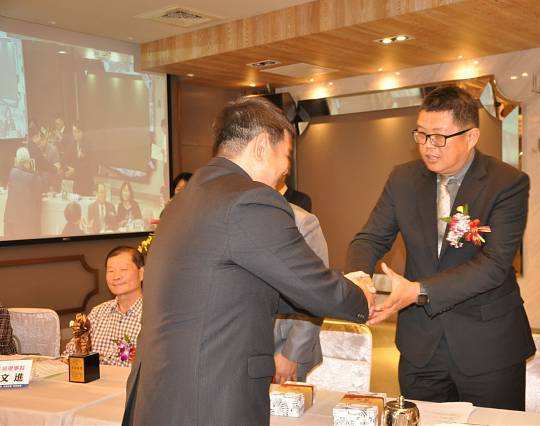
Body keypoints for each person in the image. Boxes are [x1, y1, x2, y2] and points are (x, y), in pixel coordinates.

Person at [122, 96, 374, 426]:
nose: (284, 172)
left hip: (162, 394)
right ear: (260, 147)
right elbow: (310, 282)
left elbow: (237, 287)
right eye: (285, 157)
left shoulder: (183, 202)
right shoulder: (249, 199)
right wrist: (360, 297)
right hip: (210, 400)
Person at [347, 86, 535, 410]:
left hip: (488, 345)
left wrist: (419, 290)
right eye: (421, 135)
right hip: (420, 345)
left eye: (438, 137)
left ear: (471, 136)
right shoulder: (403, 179)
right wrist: (358, 278)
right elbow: (370, 238)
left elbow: (494, 264)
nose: (427, 146)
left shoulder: (506, 183)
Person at [63, 246, 143, 366]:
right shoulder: (98, 312)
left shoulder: (155, 316)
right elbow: (69, 353)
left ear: (141, 273)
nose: (116, 276)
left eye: (123, 269)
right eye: (110, 271)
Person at [273, 202, 326, 383]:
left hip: (282, 349)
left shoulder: (302, 222)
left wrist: (291, 354)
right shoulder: (231, 214)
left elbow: (316, 295)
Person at [3, 147, 43, 239]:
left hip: (11, 219)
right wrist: (33, 170)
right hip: (24, 222)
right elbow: (40, 187)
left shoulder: (12, 172)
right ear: (28, 160)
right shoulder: (33, 177)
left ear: (17, 159)